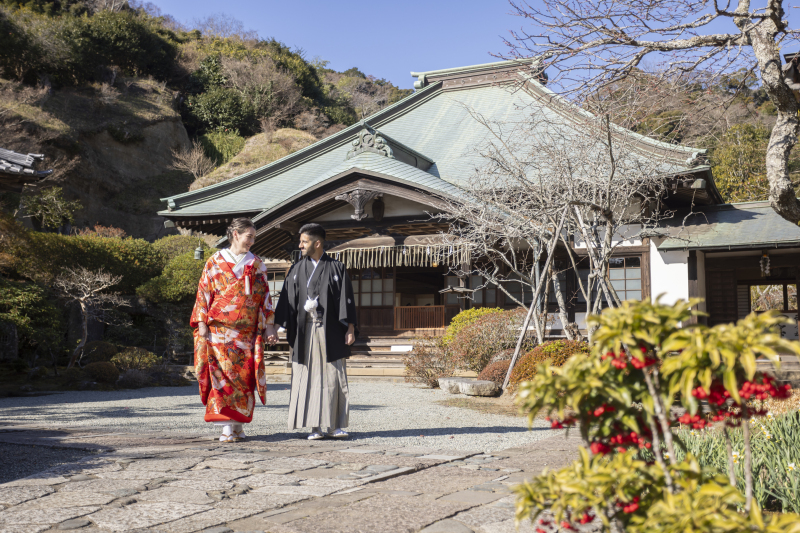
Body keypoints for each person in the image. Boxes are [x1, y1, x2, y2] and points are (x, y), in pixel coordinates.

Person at [191, 218, 278, 443]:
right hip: (219, 330)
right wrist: (201, 323)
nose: (252, 241)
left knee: (244, 379)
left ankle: (238, 425)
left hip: (246, 332)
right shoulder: (214, 261)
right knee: (222, 378)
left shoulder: (257, 264)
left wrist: (269, 325)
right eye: (249, 236)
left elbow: (265, 297)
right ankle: (226, 428)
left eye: (254, 237)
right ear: (235, 234)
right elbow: (203, 293)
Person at [275, 223, 358, 440]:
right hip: (304, 329)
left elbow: (346, 299)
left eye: (304, 242)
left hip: (331, 329)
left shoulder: (337, 268)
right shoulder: (295, 270)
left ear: (317, 243)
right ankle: (314, 426)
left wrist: (350, 327)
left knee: (333, 375)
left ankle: (335, 425)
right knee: (308, 376)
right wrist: (275, 326)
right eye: (300, 242)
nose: (300, 245)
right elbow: (286, 301)